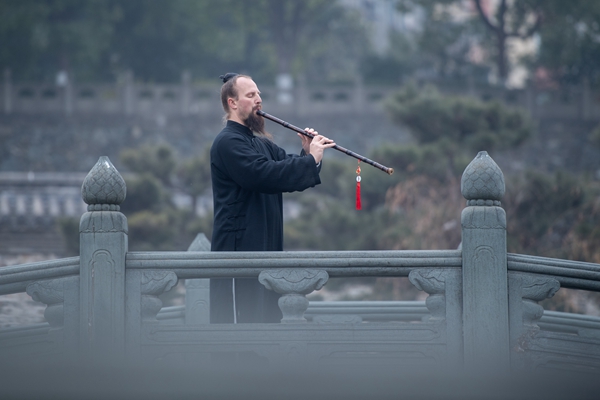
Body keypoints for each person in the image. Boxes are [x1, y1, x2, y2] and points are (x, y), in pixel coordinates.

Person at [210, 73, 335, 323]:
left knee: (267, 320)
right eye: (250, 95)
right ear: (232, 103)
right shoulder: (227, 143)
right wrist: (311, 160)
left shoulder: (262, 144)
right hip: (238, 253)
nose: (259, 100)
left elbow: (287, 166)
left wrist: (307, 152)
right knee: (241, 326)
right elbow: (262, 175)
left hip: (267, 246)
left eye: (258, 94)